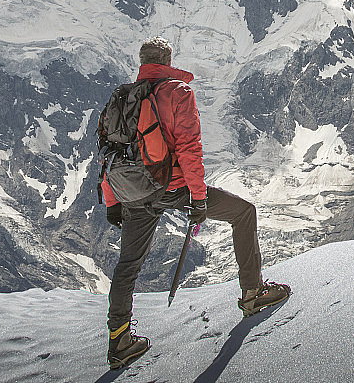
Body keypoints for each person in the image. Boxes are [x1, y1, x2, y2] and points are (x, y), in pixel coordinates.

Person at [102, 36, 290, 369]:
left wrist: (113, 202)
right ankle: (252, 294)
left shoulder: (124, 96)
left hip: (132, 192)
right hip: (171, 187)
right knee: (243, 213)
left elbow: (110, 152)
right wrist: (199, 199)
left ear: (142, 63)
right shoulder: (177, 92)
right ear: (168, 59)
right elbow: (189, 150)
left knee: (128, 265)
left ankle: (119, 340)